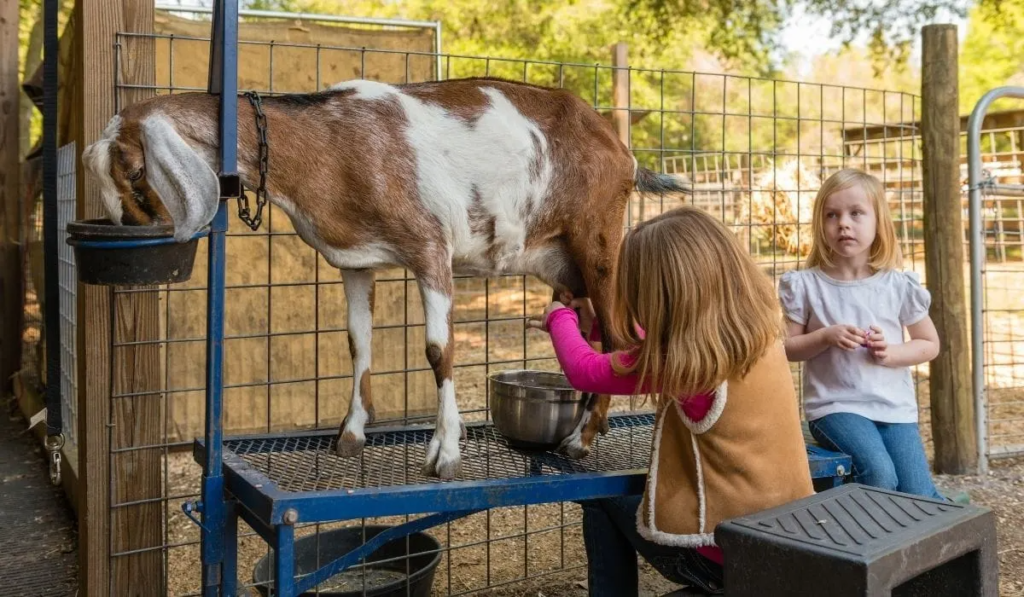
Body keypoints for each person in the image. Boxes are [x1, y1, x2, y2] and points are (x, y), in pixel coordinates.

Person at [528, 206, 814, 597]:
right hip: (781, 541)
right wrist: (594, 321)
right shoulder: (758, 333)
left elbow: (585, 369)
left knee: (600, 494)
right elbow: (648, 342)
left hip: (718, 555)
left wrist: (559, 316)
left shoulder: (682, 365)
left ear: (659, 298)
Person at [778, 167, 944, 500]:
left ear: (878, 222)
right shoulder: (806, 285)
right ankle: (865, 548)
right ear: (820, 224)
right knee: (879, 472)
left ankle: (947, 536)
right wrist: (824, 337)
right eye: (831, 215)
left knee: (918, 491)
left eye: (856, 213)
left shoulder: (898, 286)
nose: (843, 223)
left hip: (894, 408)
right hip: (836, 407)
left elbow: (930, 345)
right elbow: (786, 349)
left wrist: (891, 352)